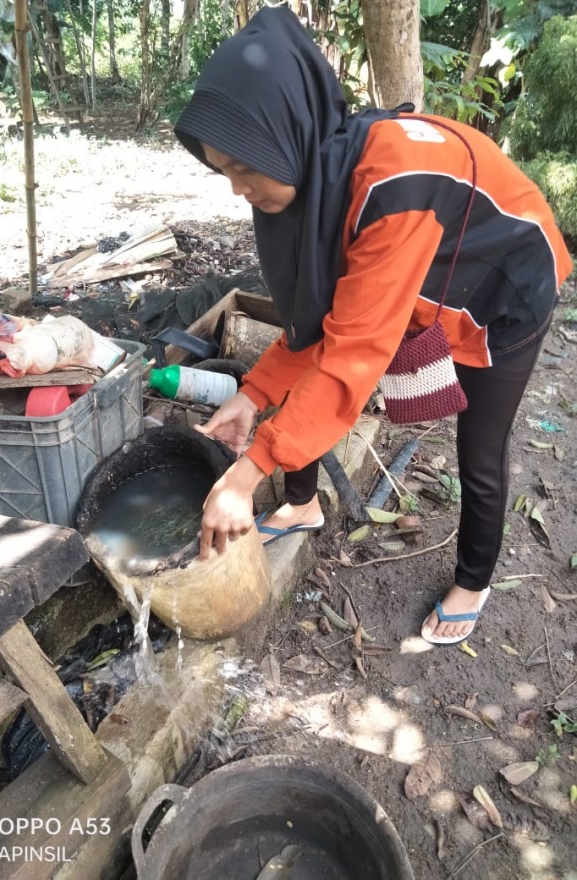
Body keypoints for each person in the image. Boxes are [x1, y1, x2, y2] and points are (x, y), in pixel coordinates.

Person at [173, 7, 572, 645]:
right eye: (225, 171)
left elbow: (349, 356)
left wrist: (247, 473)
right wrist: (252, 395)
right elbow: (314, 321)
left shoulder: (390, 190)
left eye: (246, 168)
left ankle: (474, 579)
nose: (237, 190)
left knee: (481, 449)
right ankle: (302, 503)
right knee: (317, 366)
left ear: (287, 135)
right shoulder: (319, 177)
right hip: (432, 265)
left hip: (506, 284)